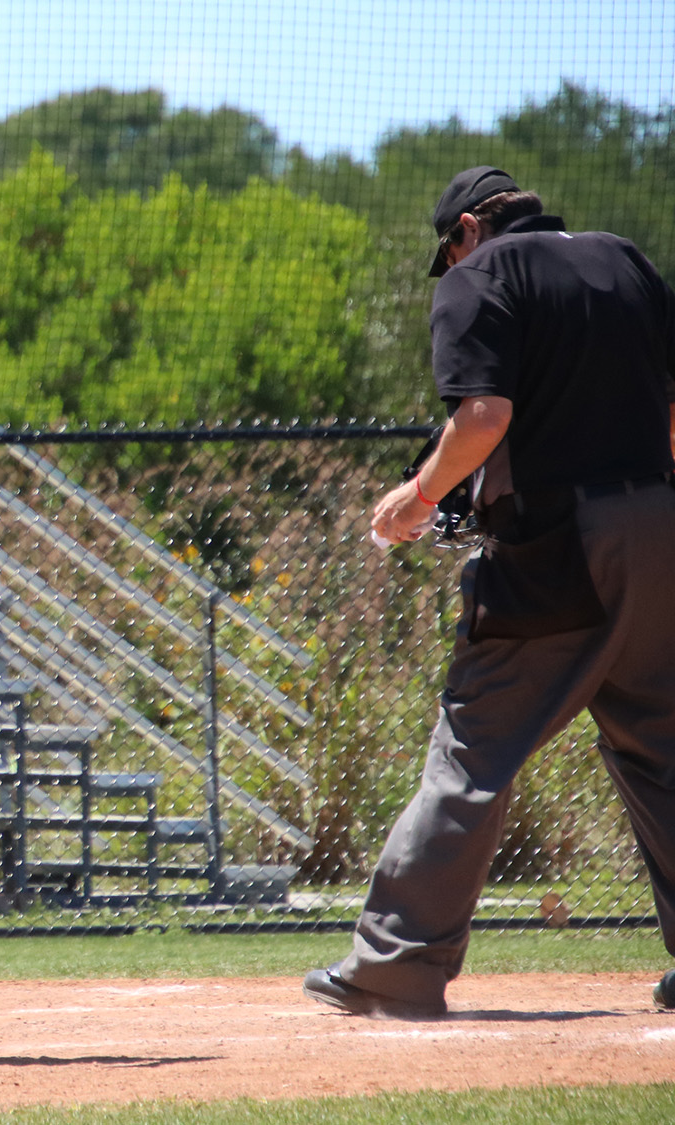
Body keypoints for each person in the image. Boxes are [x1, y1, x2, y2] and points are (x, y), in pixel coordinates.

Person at [305, 167, 675, 1018]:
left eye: (450, 249)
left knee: (474, 751)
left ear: (467, 228)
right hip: (659, 528)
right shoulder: (624, 261)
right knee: (663, 749)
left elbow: (483, 417)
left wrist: (419, 496)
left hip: (559, 552)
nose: (451, 263)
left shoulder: (484, 275)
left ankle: (399, 961)